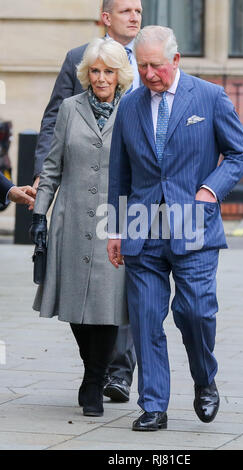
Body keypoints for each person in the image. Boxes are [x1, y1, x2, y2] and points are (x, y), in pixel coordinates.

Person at [107, 26, 243, 431]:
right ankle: (153, 404)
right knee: (146, 317)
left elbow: (241, 153)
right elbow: (119, 174)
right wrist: (114, 230)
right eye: (142, 66)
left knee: (194, 311)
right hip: (142, 226)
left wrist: (211, 189)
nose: (149, 73)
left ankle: (205, 379)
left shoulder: (208, 97)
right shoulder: (131, 106)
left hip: (194, 223)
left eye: (156, 65)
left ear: (175, 60)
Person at [32, 0, 143, 403]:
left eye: (139, 10)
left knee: (113, 301)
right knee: (78, 301)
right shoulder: (74, 76)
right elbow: (52, 131)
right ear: (106, 16)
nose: (100, 77)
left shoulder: (142, 80)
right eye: (126, 9)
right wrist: (41, 197)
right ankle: (97, 371)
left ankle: (110, 376)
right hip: (74, 210)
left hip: (118, 216)